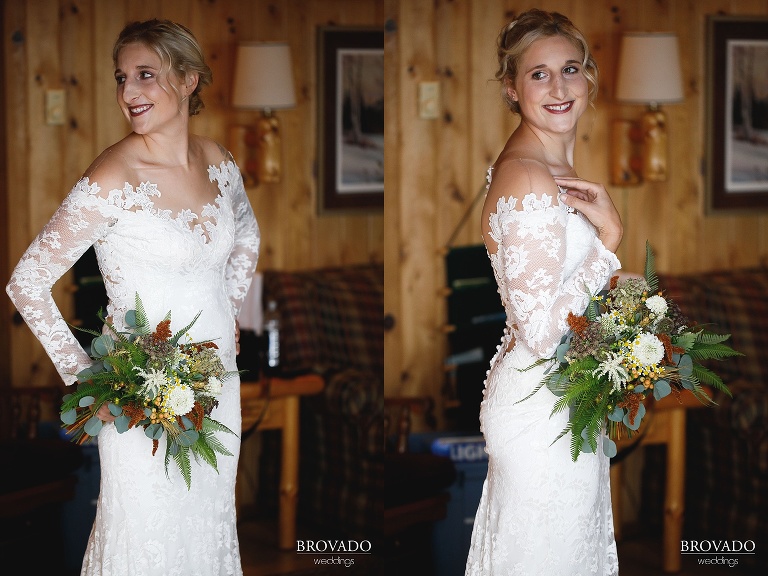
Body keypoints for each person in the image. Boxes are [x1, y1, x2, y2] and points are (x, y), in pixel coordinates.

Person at [6, 19, 260, 575]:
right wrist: (86, 379)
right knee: (144, 538)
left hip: (218, 382)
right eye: (122, 78)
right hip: (139, 397)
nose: (129, 92)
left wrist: (229, 308)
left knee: (208, 528)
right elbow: (26, 282)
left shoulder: (217, 160)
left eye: (146, 74)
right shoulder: (113, 176)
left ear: (189, 80)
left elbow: (246, 233)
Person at [465, 9, 622, 575]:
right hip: (542, 411)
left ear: (588, 77)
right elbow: (541, 331)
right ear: (512, 88)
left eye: (570, 69)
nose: (559, 87)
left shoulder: (546, 165)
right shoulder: (529, 175)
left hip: (563, 399)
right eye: (539, 74)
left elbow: (557, 292)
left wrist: (622, 301)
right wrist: (609, 240)